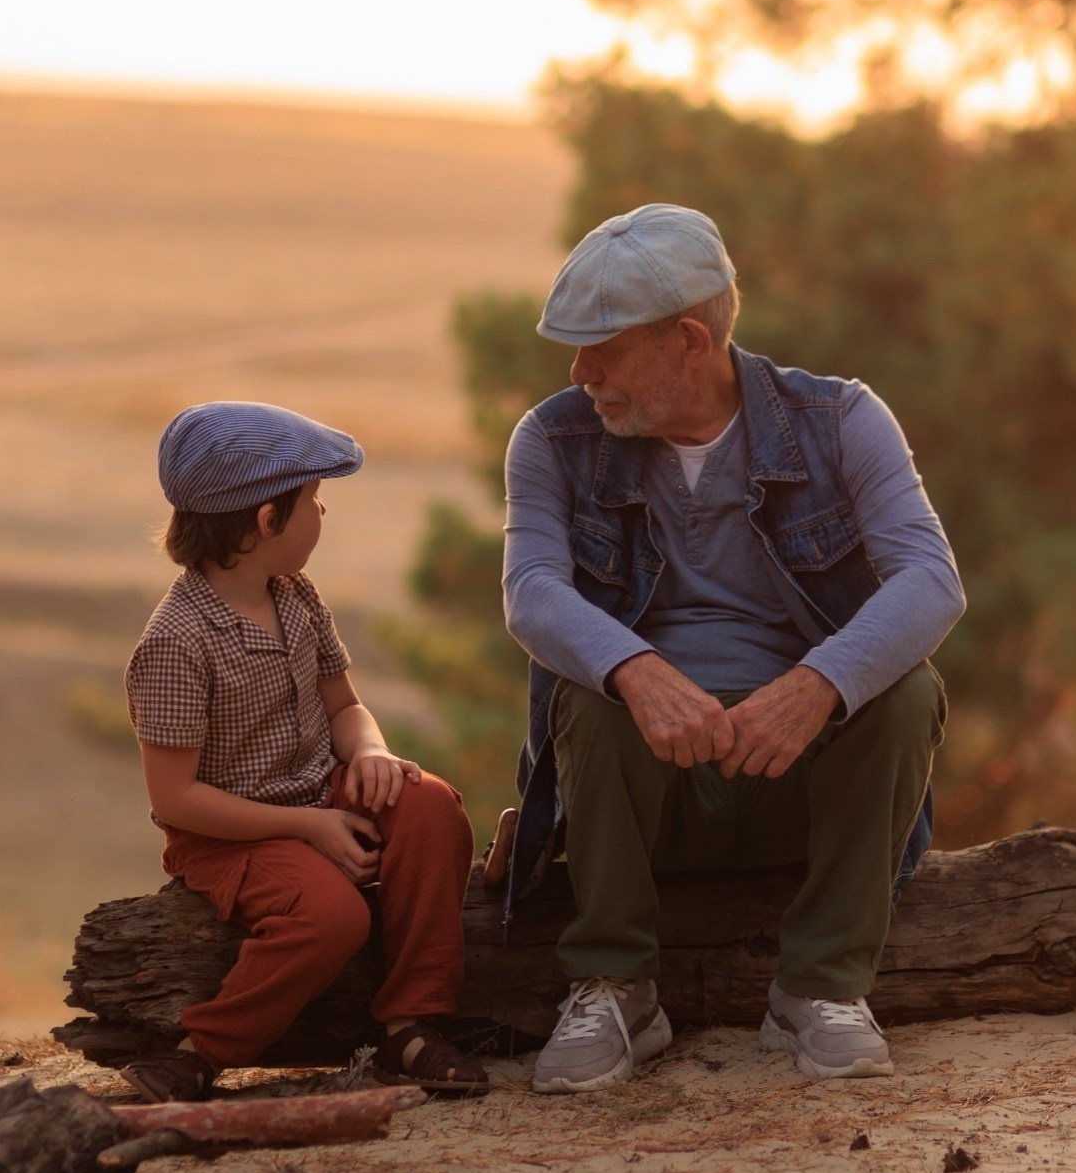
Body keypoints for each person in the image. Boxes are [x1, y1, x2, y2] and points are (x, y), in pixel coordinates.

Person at [502, 203, 964, 1092]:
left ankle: (821, 989)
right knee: (582, 688)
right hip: (642, 802)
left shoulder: (842, 420)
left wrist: (821, 683)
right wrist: (635, 670)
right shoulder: (551, 440)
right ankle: (615, 986)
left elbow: (932, 581)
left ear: (686, 339)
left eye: (602, 345)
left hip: (803, 787)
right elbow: (532, 596)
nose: (579, 370)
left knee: (907, 689)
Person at [120, 401, 486, 1102]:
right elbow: (175, 800)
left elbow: (343, 707)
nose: (324, 515)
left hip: (319, 791)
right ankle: (201, 1053)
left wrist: (372, 752)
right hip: (228, 834)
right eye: (315, 501)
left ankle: (409, 1026)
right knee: (332, 917)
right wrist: (310, 826)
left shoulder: (294, 595)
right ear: (266, 520)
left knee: (432, 807)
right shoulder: (176, 642)